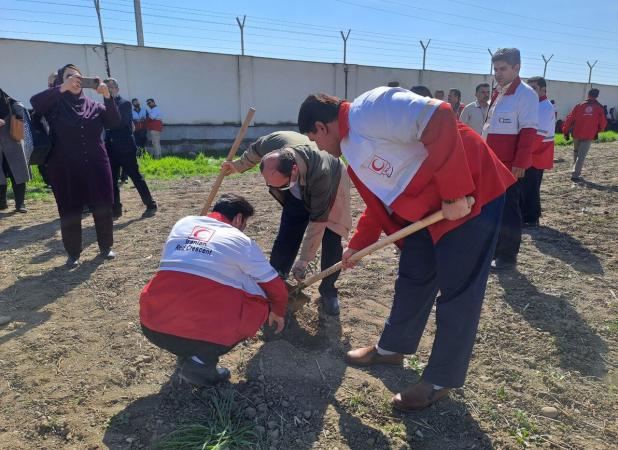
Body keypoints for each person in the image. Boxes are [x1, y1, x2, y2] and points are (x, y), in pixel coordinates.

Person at [297, 87, 514, 410]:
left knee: (458, 293)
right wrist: (357, 245)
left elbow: (439, 117)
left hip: (469, 196)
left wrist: (455, 193)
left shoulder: (370, 108)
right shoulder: (351, 151)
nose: (319, 147)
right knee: (413, 276)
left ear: (321, 127)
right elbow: (381, 201)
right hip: (429, 213)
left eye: (314, 140)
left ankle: (440, 379)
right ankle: (391, 348)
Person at [139, 194, 288, 386]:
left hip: (152, 325)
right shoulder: (240, 241)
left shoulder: (183, 224)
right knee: (257, 296)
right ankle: (200, 364)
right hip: (196, 330)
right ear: (238, 219)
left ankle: (187, 352)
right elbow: (274, 286)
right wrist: (278, 311)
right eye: (245, 223)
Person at [221, 131, 352, 316]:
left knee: (331, 237)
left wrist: (304, 260)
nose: (275, 189)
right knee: (288, 231)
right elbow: (256, 149)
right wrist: (237, 166)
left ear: (294, 171)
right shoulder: (273, 146)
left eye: (279, 186)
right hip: (297, 185)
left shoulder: (322, 175)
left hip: (333, 181)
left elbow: (318, 222)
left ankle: (328, 292)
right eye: (270, 185)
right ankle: (276, 282)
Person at [30, 64, 121, 266]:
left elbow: (114, 121)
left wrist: (107, 96)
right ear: (61, 81)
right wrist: (61, 88)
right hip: (65, 168)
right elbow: (35, 102)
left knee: (103, 207)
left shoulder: (94, 105)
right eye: (69, 77)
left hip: (97, 165)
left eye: (78, 76)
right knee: (69, 211)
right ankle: (73, 253)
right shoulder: (54, 105)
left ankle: (106, 247)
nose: (75, 79)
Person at [482, 48, 538, 271]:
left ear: (517, 68)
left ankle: (508, 256)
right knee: (493, 208)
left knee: (509, 209)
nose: (498, 73)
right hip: (491, 161)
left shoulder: (525, 95)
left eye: (503, 69)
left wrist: (520, 163)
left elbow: (528, 131)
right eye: (495, 69)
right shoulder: (499, 92)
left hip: (509, 166)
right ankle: (494, 249)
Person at [103, 79, 157, 219]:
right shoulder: (103, 106)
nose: (109, 90)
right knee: (112, 180)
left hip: (125, 147)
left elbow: (119, 124)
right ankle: (116, 209)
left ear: (117, 89)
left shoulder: (124, 104)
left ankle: (150, 204)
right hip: (110, 147)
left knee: (136, 176)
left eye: (111, 87)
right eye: (106, 87)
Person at [521, 76, 555, 227]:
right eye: (530, 88)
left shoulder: (544, 107)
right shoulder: (536, 105)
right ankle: (530, 215)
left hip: (537, 153)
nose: (531, 92)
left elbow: (536, 136)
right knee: (529, 185)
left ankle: (531, 217)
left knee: (531, 186)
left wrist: (523, 155)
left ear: (543, 89)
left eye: (534, 88)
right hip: (534, 153)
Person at [562, 88, 607, 181]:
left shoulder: (579, 105)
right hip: (589, 134)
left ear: (588, 94)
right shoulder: (599, 107)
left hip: (576, 133)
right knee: (581, 155)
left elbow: (569, 118)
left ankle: (575, 170)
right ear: (597, 96)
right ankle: (575, 174)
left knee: (576, 151)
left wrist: (565, 130)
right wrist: (599, 130)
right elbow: (603, 122)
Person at [0, 88, 30, 213]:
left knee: (17, 169)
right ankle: (2, 202)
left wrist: (17, 114)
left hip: (10, 131)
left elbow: (15, 101)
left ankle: (20, 203)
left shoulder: (5, 88)